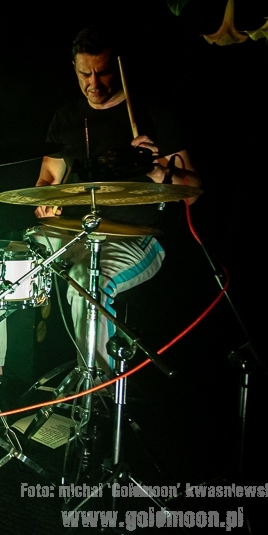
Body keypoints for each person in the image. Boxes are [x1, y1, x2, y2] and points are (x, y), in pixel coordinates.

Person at [31, 26, 200, 371]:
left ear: (119, 67)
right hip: (75, 231)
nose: (94, 83)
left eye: (103, 72)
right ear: (74, 68)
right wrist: (45, 201)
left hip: (135, 238)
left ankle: (99, 390)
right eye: (85, 74)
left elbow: (193, 191)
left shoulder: (151, 114)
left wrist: (157, 170)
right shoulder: (66, 118)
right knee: (4, 263)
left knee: (87, 284)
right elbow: (48, 179)